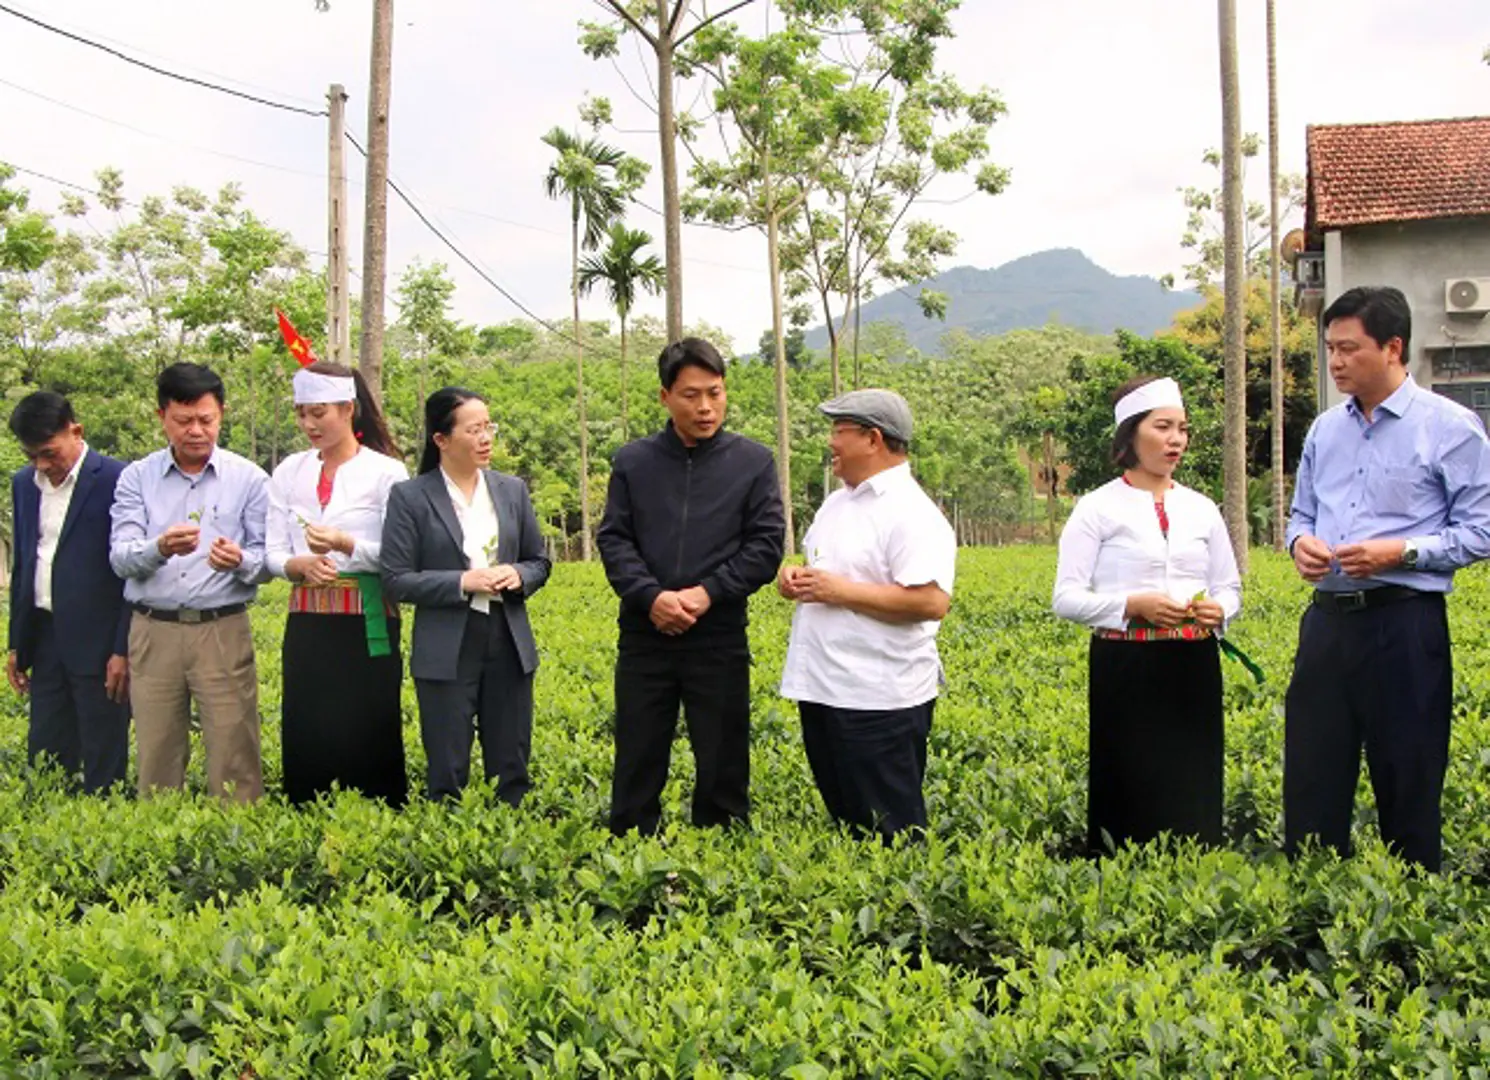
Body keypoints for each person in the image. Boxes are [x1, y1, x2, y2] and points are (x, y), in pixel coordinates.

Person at [1285, 285, 1490, 872]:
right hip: (1326, 626)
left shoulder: (1450, 428)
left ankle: (1409, 907)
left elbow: (1481, 530)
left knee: (1409, 774)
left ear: (1393, 347)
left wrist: (1401, 552)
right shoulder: (1326, 429)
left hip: (1404, 624)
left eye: (1349, 348)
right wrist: (1301, 545)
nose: (1335, 361)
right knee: (1312, 775)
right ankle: (1310, 903)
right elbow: (1300, 514)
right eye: (1330, 348)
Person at [598, 337, 785, 836]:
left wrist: (707, 593)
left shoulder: (753, 462)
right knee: (638, 753)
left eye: (715, 393)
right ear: (664, 396)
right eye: (691, 395)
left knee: (723, 756)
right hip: (645, 633)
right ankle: (633, 854)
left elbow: (766, 547)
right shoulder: (633, 462)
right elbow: (614, 539)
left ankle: (720, 854)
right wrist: (651, 596)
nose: (705, 407)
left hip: (718, 634)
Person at [1052, 375, 1240, 853]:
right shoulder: (1096, 508)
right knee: (1127, 778)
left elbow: (1229, 586)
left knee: (1191, 778)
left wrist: (1220, 610)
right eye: (1162, 427)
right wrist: (1129, 607)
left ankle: (1194, 867)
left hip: (1193, 664)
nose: (1175, 439)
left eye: (1182, 428)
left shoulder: (1202, 509)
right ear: (1131, 434)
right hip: (1125, 664)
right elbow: (1066, 597)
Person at [778, 389, 956, 843]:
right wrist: (798, 578)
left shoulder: (912, 513)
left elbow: (930, 602)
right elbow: (831, 573)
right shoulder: (838, 502)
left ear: (873, 439)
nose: (831, 443)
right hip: (825, 685)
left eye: (839, 432)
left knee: (891, 831)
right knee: (849, 825)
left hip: (879, 698)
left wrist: (839, 591)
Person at [380, 387, 551, 804]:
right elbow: (396, 578)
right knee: (447, 766)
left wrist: (517, 573)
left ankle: (512, 846)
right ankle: (451, 845)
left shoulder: (511, 490)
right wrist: (462, 582)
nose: (485, 437)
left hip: (507, 637)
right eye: (473, 429)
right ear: (441, 439)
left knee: (511, 763)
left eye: (488, 426)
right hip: (447, 642)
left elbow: (539, 560)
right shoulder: (411, 497)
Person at [109, 362, 269, 802]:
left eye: (206, 419)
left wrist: (239, 560)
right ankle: (162, 851)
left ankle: (239, 846)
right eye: (183, 421)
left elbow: (266, 559)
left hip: (222, 629)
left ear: (222, 414)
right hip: (153, 629)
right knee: (156, 753)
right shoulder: (136, 478)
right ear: (161, 416)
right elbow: (120, 558)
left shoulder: (250, 479)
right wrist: (158, 547)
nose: (196, 430)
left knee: (235, 752)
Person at [266, 361, 409, 806]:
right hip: (308, 620)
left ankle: (376, 817)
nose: (309, 424)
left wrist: (346, 543)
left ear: (349, 408)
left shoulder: (387, 472)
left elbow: (399, 557)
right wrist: (299, 564)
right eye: (301, 413)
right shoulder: (290, 471)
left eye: (319, 412)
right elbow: (271, 552)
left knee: (369, 723)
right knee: (308, 721)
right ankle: (306, 818)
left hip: (368, 619)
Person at [6, 391, 131, 792]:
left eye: (49, 453)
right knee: (45, 752)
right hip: (45, 635)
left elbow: (131, 574)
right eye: (32, 456)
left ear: (75, 431)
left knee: (102, 756)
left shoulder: (117, 478)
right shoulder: (25, 484)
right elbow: (25, 563)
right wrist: (16, 644)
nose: (43, 465)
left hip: (99, 642)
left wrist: (122, 648)